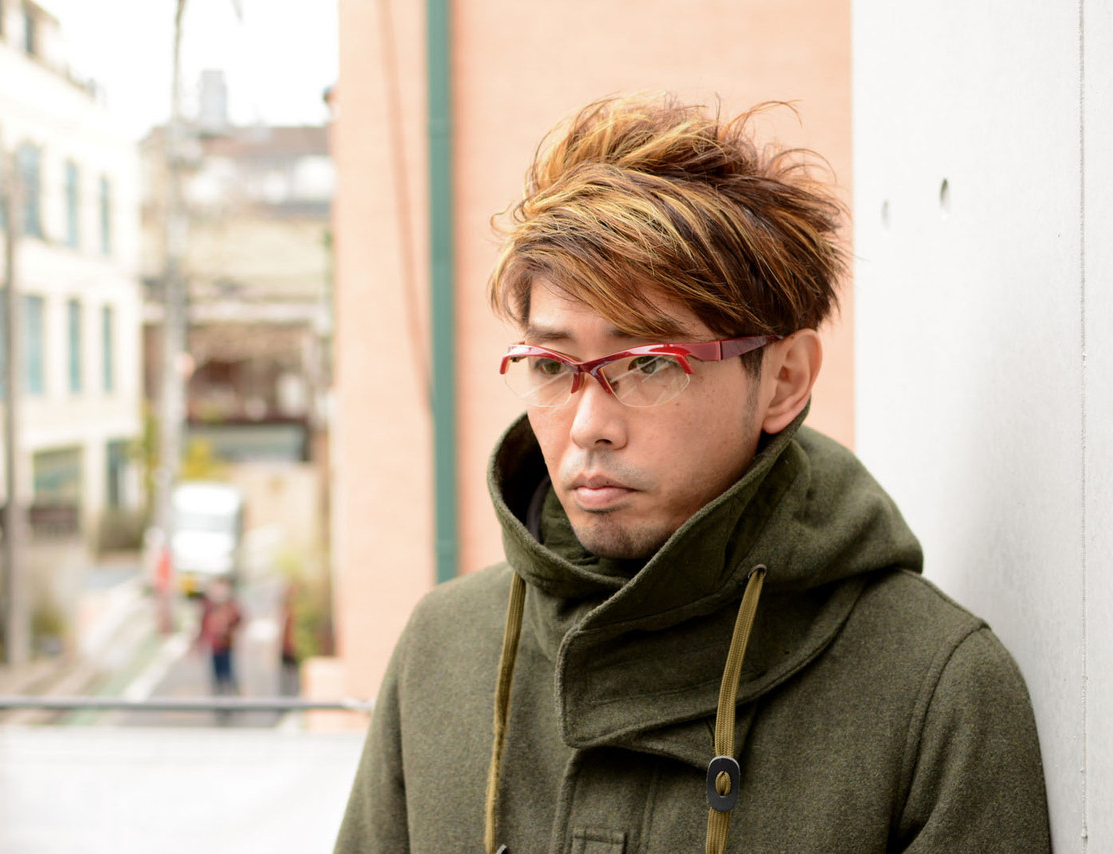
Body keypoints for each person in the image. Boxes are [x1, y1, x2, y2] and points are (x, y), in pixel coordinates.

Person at [335, 94, 1051, 853]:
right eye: (550, 365)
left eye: (650, 363)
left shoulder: (935, 690)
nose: (588, 424)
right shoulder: (443, 650)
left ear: (783, 380)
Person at [198, 578, 244, 696]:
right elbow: (204, 624)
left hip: (226, 644)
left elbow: (238, 619)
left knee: (229, 673)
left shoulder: (230, 605)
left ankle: (233, 696)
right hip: (215, 645)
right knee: (217, 675)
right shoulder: (210, 606)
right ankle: (220, 698)